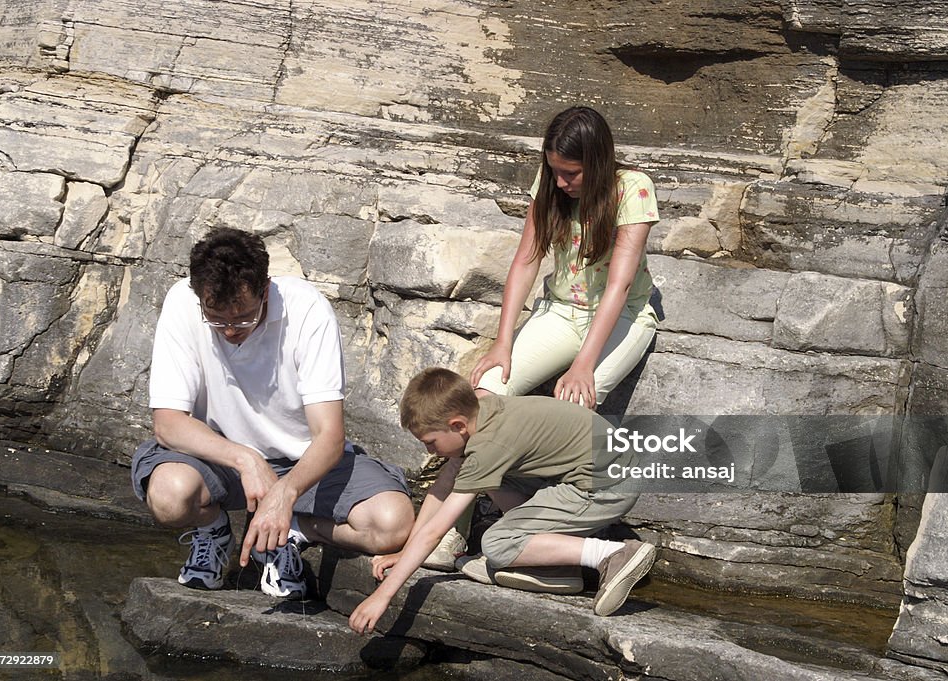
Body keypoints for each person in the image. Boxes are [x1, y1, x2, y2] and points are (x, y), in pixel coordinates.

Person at [130, 227, 414, 599]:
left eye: (244, 318)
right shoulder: (182, 303)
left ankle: (296, 528)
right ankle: (213, 531)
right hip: (218, 458)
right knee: (169, 496)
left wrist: (286, 493)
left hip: (303, 462)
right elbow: (167, 424)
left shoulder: (307, 310)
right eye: (216, 320)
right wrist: (246, 459)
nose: (230, 331)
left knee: (392, 523)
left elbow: (329, 435)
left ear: (265, 290)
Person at [348, 367, 655, 634]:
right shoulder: (482, 412)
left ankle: (613, 554)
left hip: (607, 486)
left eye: (430, 442)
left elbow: (435, 531)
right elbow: (443, 488)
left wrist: (384, 595)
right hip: (595, 473)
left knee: (496, 543)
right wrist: (405, 552)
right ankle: (556, 566)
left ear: (457, 426)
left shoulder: (488, 446)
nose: (429, 451)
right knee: (483, 476)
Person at [470, 105, 660, 410]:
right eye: (554, 170)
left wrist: (584, 364)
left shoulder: (633, 188)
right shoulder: (551, 182)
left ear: (597, 163)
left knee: (573, 404)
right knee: (487, 389)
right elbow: (526, 260)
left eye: (570, 173)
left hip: (624, 316)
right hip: (560, 311)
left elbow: (619, 286)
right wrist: (502, 342)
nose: (559, 182)